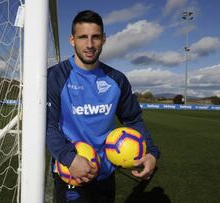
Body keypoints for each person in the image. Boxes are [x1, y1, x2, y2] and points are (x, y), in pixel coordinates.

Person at [46, 10, 160, 203]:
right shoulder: (55, 76)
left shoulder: (117, 79)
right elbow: (47, 125)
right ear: (72, 40)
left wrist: (150, 151)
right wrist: (69, 158)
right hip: (71, 172)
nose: (89, 44)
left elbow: (133, 119)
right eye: (83, 37)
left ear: (104, 39)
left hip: (106, 172)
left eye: (95, 37)